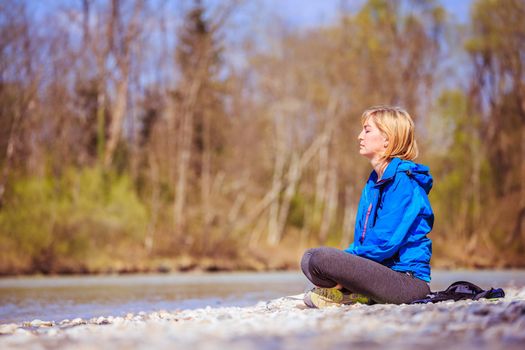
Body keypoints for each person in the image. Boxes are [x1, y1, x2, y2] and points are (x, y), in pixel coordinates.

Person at [301, 106, 433, 308]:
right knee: (309, 259)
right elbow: (364, 241)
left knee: (321, 259)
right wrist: (344, 266)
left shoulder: (404, 183)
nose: (359, 136)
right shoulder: (373, 184)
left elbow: (385, 242)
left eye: (367, 130)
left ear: (387, 139)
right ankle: (355, 293)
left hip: (407, 282)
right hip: (381, 272)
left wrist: (342, 264)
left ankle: (350, 292)